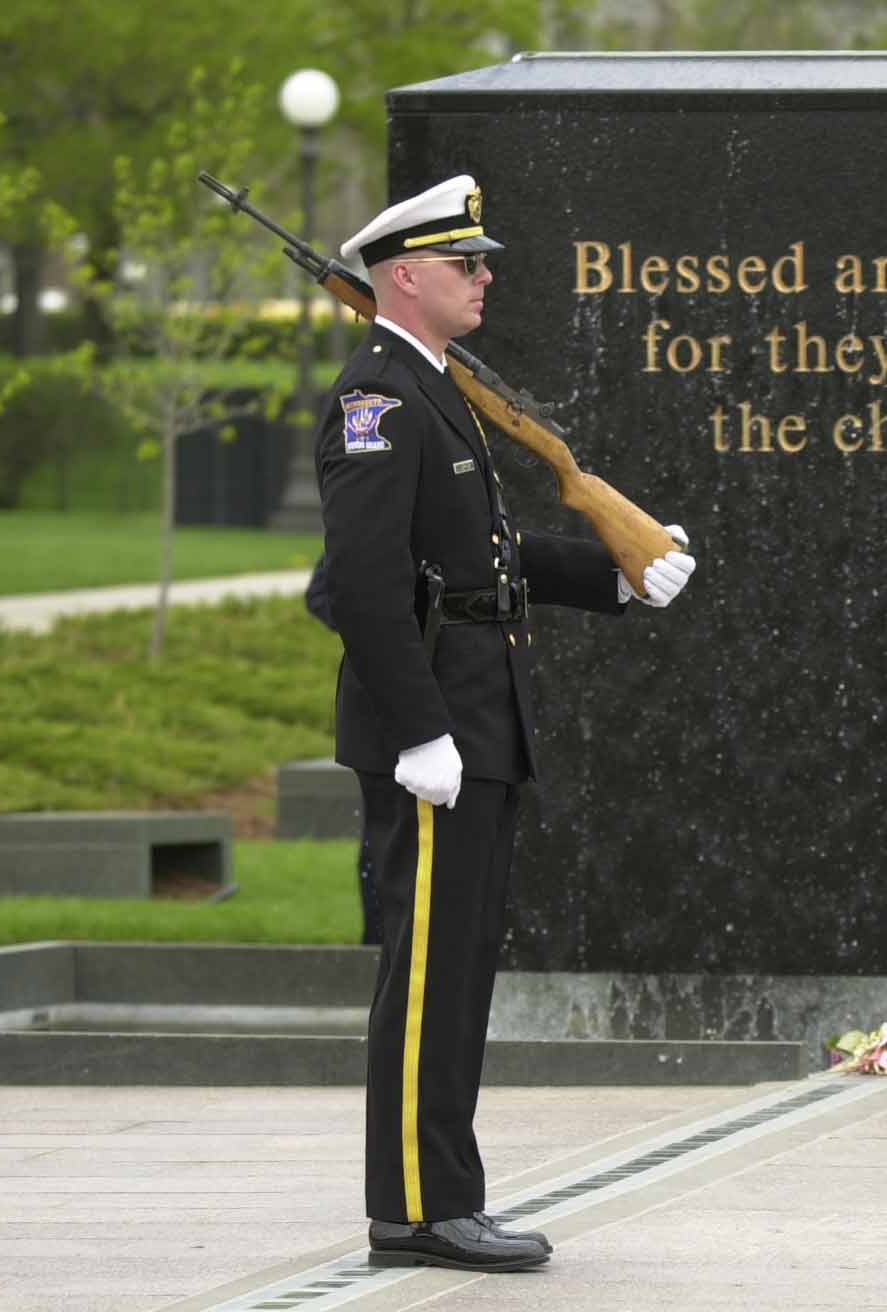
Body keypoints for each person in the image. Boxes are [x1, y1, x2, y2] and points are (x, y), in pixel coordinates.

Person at [315, 174, 696, 1271]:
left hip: (481, 719)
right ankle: (417, 1211)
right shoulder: (379, 400)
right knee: (427, 975)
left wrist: (614, 571)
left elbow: (483, 556)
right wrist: (417, 729)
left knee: (459, 970)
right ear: (403, 277)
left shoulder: (436, 389)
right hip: (437, 731)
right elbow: (365, 584)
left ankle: (441, 1196)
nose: (484, 278)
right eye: (464, 263)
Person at [304, 554, 384, 946]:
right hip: (384, 700)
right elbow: (320, 593)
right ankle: (377, 940)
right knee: (382, 833)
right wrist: (381, 632)